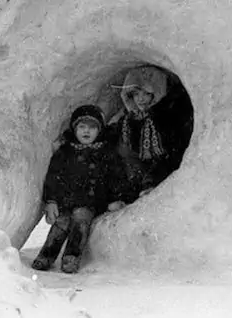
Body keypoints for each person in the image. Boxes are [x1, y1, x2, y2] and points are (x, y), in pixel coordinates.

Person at [33, 105, 132, 274]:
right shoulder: (65, 152)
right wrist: (51, 201)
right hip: (67, 202)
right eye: (82, 127)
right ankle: (46, 256)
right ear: (74, 129)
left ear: (99, 130)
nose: (87, 132)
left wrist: (116, 199)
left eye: (92, 127)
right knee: (61, 222)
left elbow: (117, 178)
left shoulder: (106, 153)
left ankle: (71, 257)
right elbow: (53, 178)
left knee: (80, 219)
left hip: (92, 202)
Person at [107, 66, 194, 197]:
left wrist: (152, 178)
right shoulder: (128, 118)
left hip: (161, 175)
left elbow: (171, 152)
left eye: (146, 94)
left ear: (156, 94)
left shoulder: (166, 117)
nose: (140, 99)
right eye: (136, 94)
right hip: (137, 175)